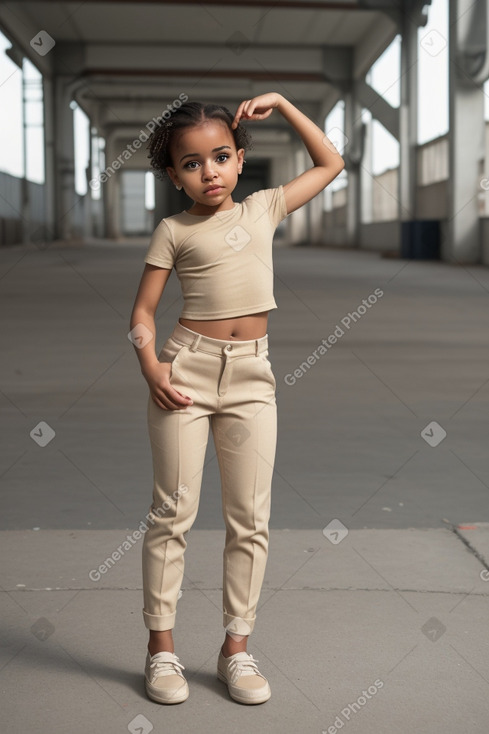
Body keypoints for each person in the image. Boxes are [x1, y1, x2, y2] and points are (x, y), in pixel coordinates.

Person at [129, 92, 345, 705]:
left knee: (250, 520)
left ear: (240, 158)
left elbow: (331, 163)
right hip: (185, 374)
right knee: (172, 513)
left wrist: (283, 102)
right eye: (192, 163)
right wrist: (151, 367)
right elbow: (143, 313)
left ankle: (236, 650)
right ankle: (161, 651)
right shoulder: (173, 231)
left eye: (220, 157)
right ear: (174, 176)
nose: (210, 172)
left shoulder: (263, 209)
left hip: (252, 378)